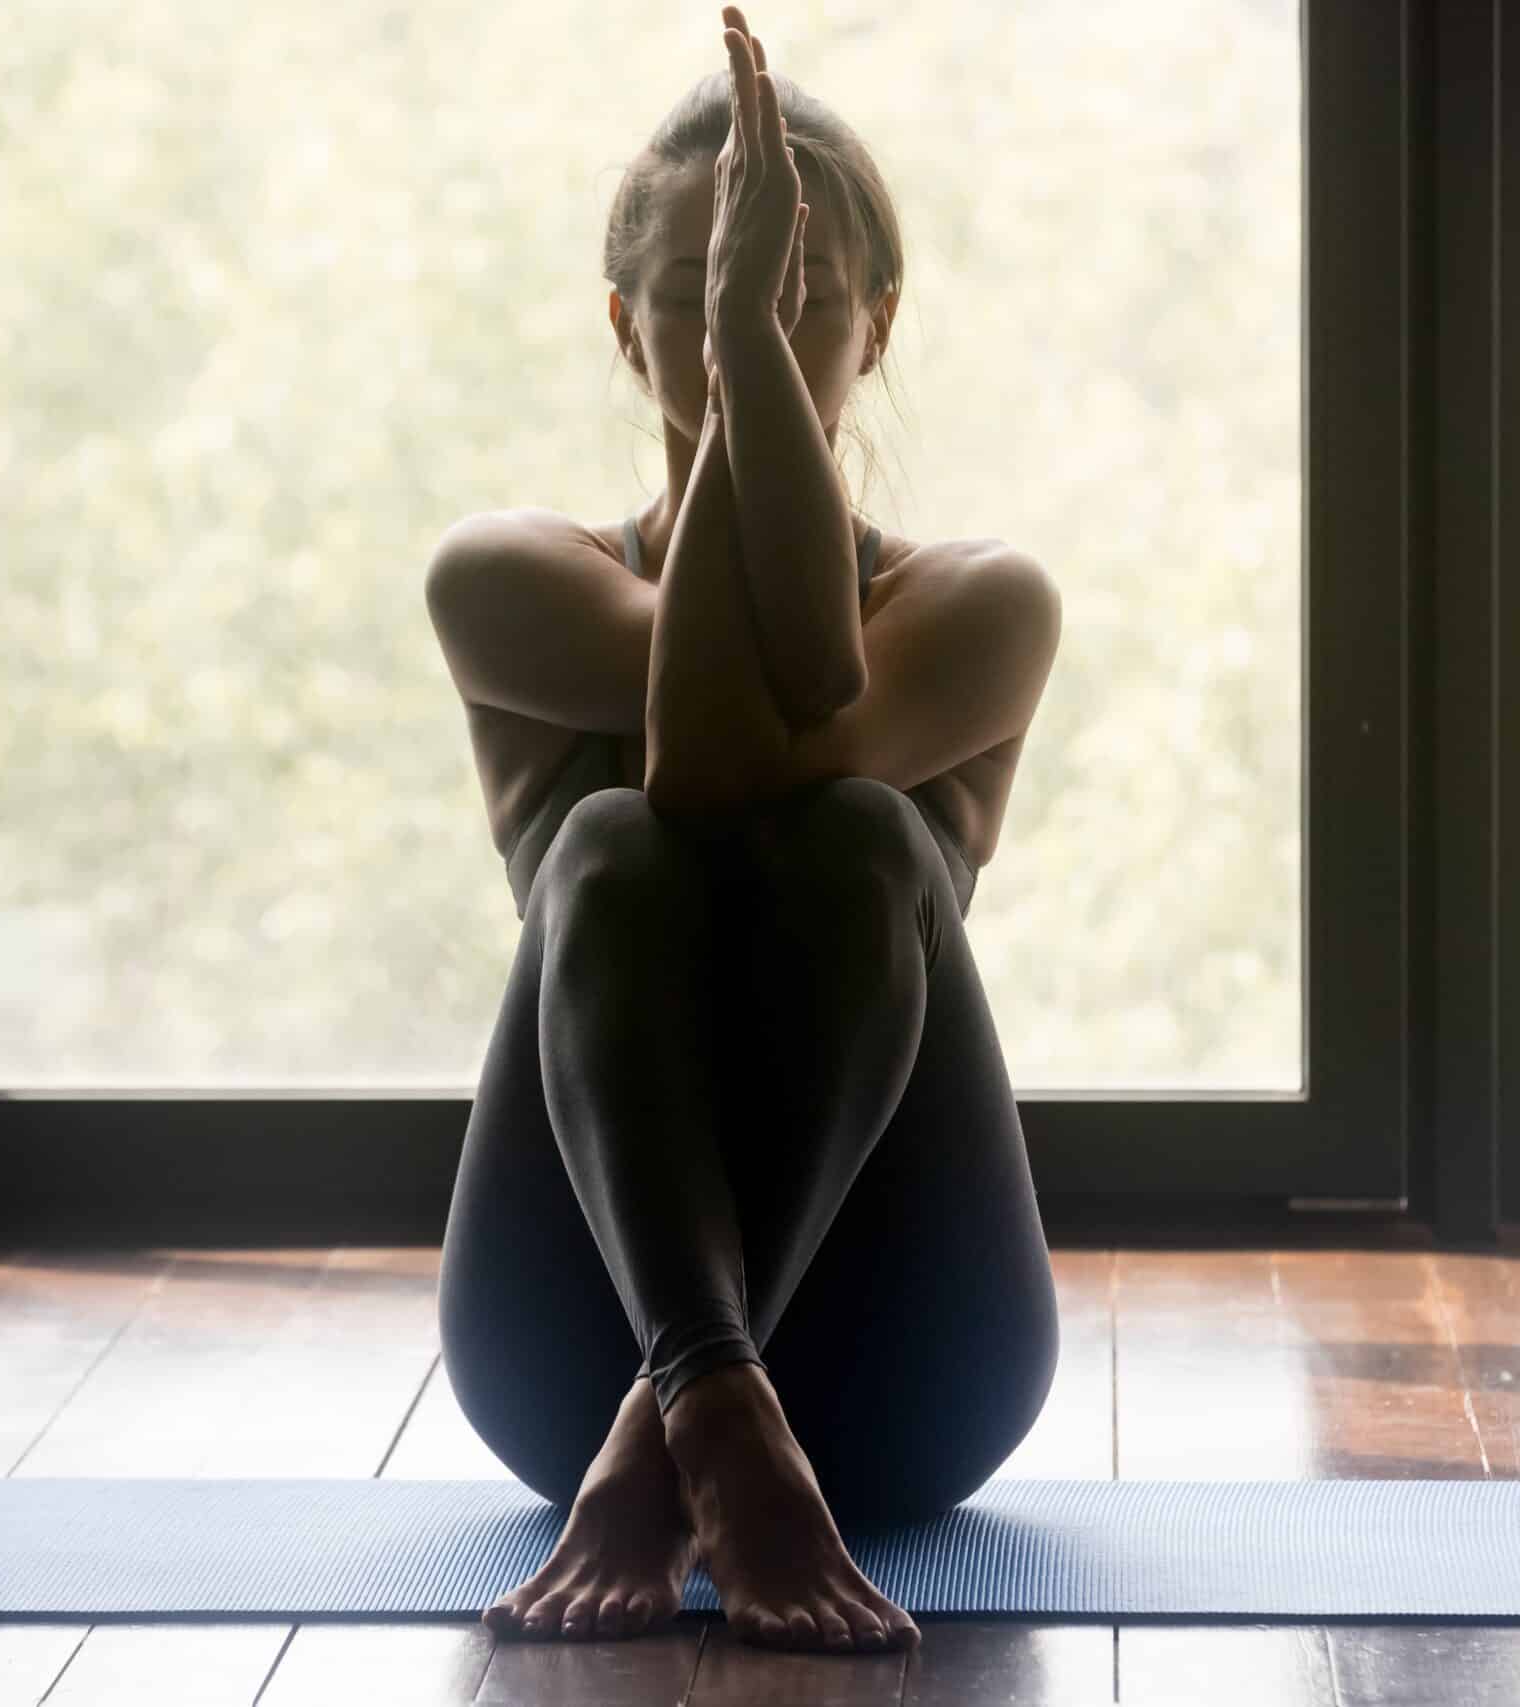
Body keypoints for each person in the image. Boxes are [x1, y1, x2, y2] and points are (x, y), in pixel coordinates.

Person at [430, 6, 1062, 1657]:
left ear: (882, 324)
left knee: (857, 832)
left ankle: (688, 1426)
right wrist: (754, 354)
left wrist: (747, 364)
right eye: (710, 305)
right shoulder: (503, 574)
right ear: (631, 329)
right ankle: (705, 1385)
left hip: (913, 1362)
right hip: (566, 1351)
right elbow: (695, 764)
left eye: (799, 299)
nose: (750, 333)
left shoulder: (982, 601)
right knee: (612, 849)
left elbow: (765, 758)